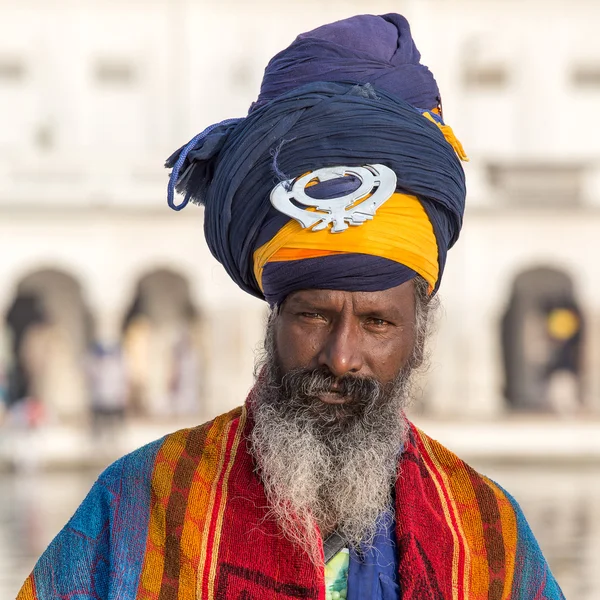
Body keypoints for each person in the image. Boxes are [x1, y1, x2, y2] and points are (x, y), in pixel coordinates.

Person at [17, 14, 564, 600]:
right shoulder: (141, 508)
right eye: (314, 315)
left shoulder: (485, 534)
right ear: (273, 318)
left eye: (377, 322)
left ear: (419, 333)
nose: (341, 357)